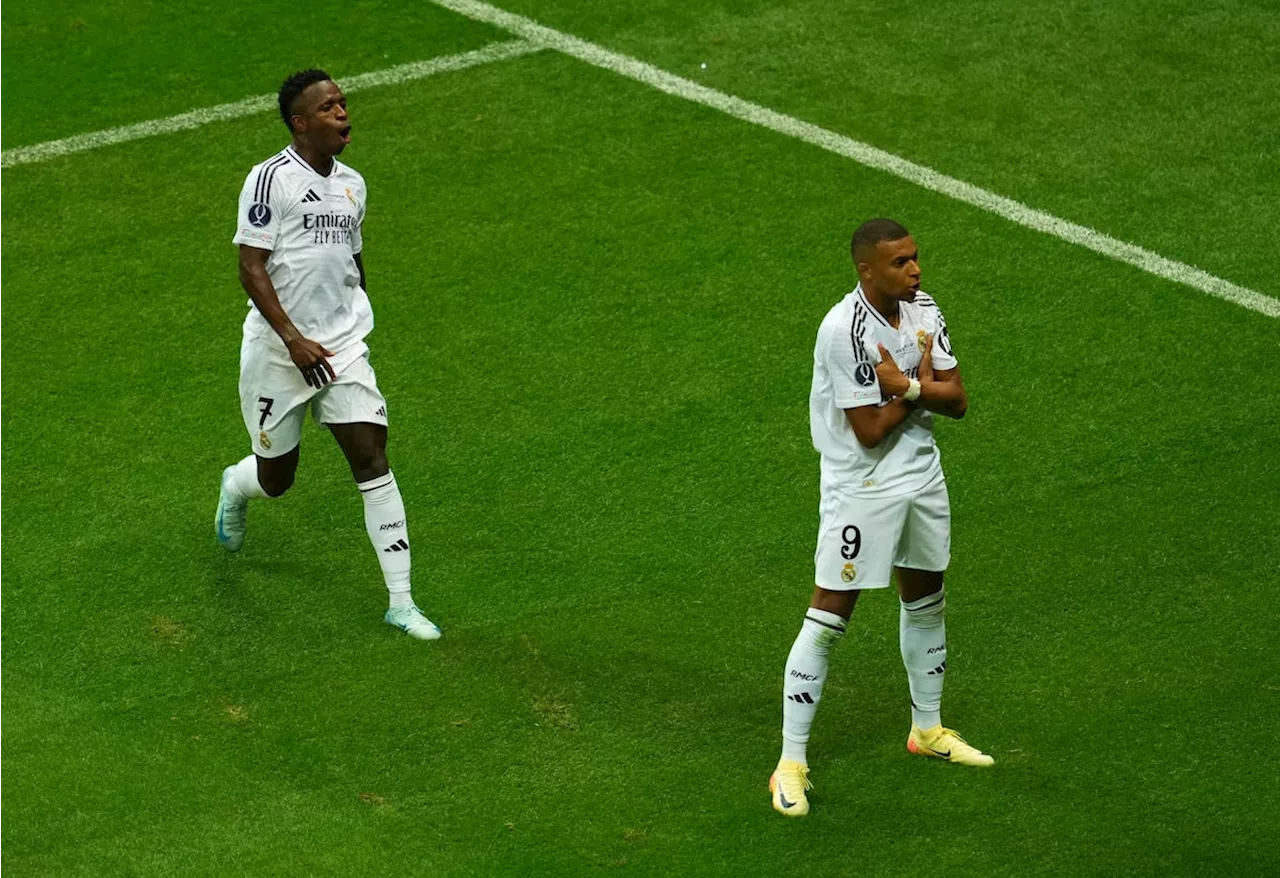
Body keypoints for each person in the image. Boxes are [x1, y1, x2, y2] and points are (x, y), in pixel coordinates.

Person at [769, 218, 991, 817]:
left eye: (915, 258)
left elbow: (959, 401)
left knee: (926, 600)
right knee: (827, 618)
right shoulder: (842, 331)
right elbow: (867, 434)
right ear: (866, 269)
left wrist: (909, 390)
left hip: (922, 478)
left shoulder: (925, 309)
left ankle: (927, 730)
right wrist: (917, 391)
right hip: (862, 489)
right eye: (900, 263)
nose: (915, 270)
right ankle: (790, 761)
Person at [214, 68, 440, 641]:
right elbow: (250, 266)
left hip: (340, 348)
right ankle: (234, 487)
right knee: (276, 479)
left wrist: (346, 324)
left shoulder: (353, 185)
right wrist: (293, 337)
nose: (342, 112)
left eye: (343, 103)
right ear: (300, 123)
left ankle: (401, 601)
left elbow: (354, 262)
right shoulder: (269, 181)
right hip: (277, 351)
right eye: (329, 107)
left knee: (372, 458)